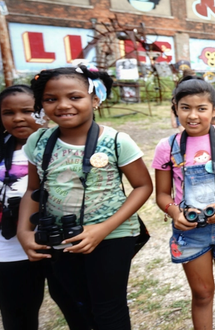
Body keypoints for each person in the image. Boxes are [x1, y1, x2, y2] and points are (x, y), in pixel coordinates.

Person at [17, 66, 153, 330]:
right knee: (74, 304)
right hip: (60, 237)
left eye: (74, 97)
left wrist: (102, 229)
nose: (63, 105)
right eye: (50, 99)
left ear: (94, 99)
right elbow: (33, 190)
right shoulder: (38, 141)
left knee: (108, 309)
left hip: (112, 235)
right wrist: (24, 231)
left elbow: (142, 186)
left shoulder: (116, 141)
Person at [152, 76, 215, 330]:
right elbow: (162, 195)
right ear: (175, 108)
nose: (193, 115)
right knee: (202, 293)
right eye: (185, 107)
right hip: (190, 233)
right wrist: (175, 212)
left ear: (214, 110)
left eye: (201, 108)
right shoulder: (167, 147)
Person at [0, 85, 89, 330]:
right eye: (8, 112)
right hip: (9, 252)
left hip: (63, 244)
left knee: (77, 308)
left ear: (43, 110)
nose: (18, 118)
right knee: (17, 314)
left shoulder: (66, 145)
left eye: (28, 110)